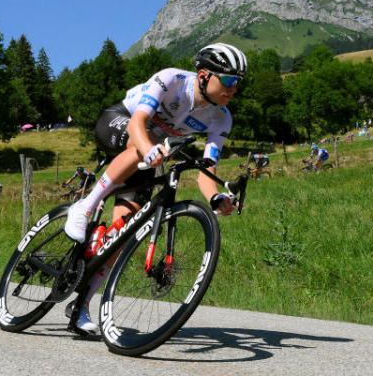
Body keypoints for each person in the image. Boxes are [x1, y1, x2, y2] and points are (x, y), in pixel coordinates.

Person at [62, 43, 244, 335]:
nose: (233, 89)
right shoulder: (172, 80)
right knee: (141, 142)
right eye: (229, 80)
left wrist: (216, 196)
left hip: (151, 151)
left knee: (123, 231)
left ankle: (80, 304)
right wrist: (148, 149)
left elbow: (206, 169)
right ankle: (85, 206)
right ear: (203, 75)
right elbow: (137, 123)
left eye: (238, 83)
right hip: (119, 122)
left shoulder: (222, 118)